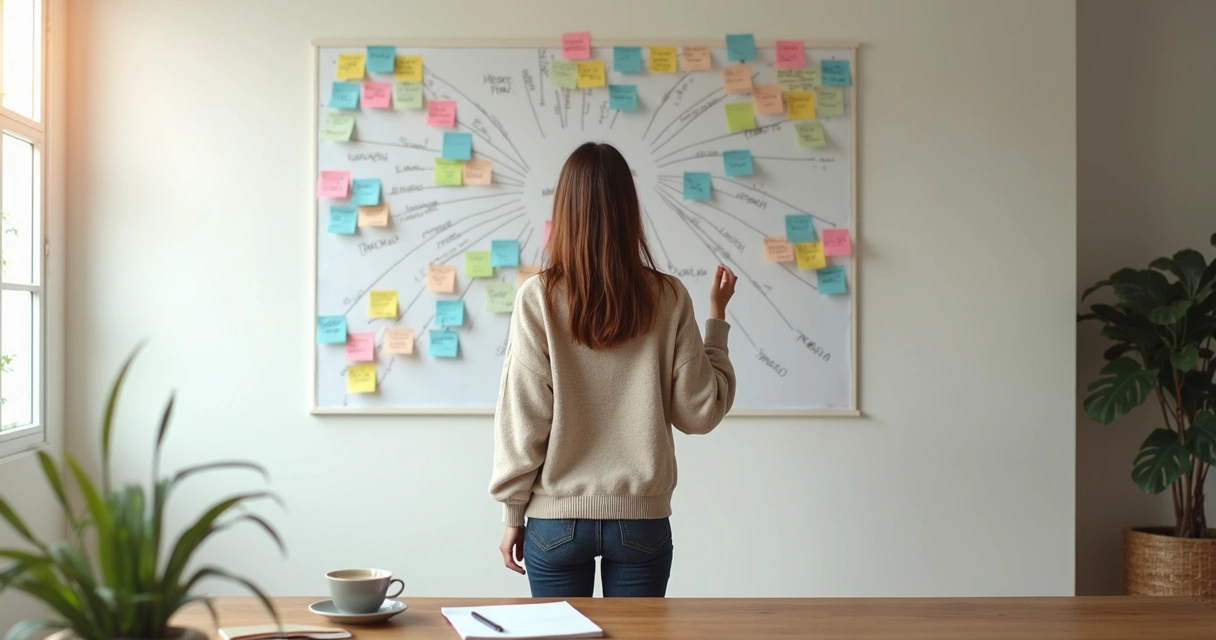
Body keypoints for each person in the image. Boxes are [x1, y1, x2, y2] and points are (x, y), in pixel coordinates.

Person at [488, 142, 738, 598]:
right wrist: (717, 322)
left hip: (555, 522)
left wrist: (512, 513)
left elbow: (524, 416)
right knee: (638, 635)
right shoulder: (669, 296)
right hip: (641, 522)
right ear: (629, 211)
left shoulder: (538, 297)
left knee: (560, 634)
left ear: (564, 212)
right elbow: (699, 413)